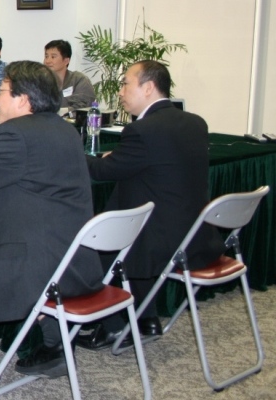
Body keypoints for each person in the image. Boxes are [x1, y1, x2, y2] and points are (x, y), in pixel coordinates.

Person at [0, 61, 103, 382]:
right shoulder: (66, 130)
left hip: (35, 266)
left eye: (1, 92)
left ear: (23, 100)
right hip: (75, 262)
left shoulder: (15, 134)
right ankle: (54, 346)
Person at [76, 60, 225, 352]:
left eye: (125, 84)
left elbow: (105, 172)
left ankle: (113, 326)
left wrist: (74, 154)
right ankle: (147, 320)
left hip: (158, 240)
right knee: (131, 226)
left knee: (97, 245)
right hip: (195, 234)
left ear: (148, 87)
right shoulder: (195, 122)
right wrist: (118, 157)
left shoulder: (143, 130)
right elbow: (154, 163)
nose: (120, 91)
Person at [43, 39, 95, 110]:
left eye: (53, 57)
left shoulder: (78, 80)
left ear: (66, 61)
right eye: (46, 56)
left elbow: (83, 106)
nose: (47, 61)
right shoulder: (40, 82)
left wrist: (61, 111)